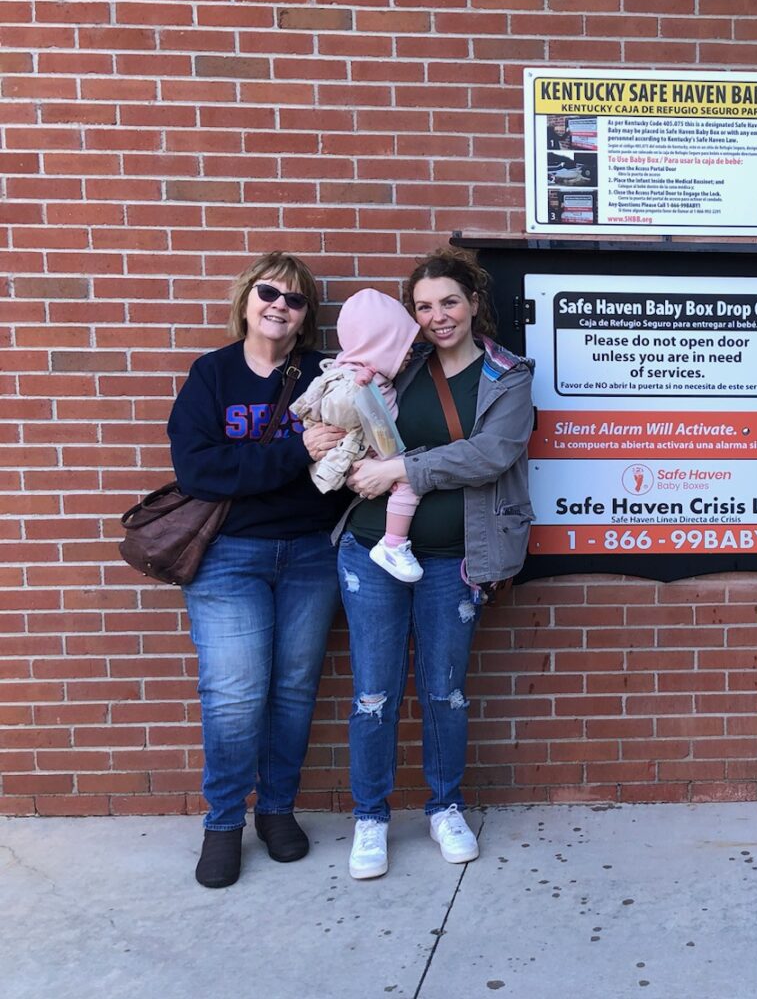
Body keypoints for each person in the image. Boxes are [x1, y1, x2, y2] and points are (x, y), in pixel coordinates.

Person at [335, 248, 534, 881]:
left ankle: (444, 806)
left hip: (455, 559)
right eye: (423, 306)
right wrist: (323, 435)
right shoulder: (400, 365)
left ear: (474, 303)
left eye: (449, 302)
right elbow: (348, 414)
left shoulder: (508, 375)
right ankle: (371, 817)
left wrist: (402, 469)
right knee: (374, 692)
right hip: (369, 552)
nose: (438, 316)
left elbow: (489, 455)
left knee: (444, 691)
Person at [167, 251, 350, 889]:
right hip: (228, 556)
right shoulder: (213, 374)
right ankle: (222, 824)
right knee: (235, 694)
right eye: (269, 292)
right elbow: (198, 470)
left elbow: (349, 460)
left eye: (295, 300)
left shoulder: (324, 375)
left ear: (305, 318)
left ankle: (275, 810)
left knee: (295, 690)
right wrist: (292, 453)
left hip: (310, 552)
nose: (280, 305)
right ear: (247, 299)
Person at [290, 288, 427, 582]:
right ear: (381, 346)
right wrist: (358, 387)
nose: (410, 353)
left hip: (373, 450)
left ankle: (394, 543)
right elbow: (336, 412)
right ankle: (393, 544)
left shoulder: (380, 377)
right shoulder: (351, 376)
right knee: (411, 481)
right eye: (403, 346)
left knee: (409, 476)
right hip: (353, 454)